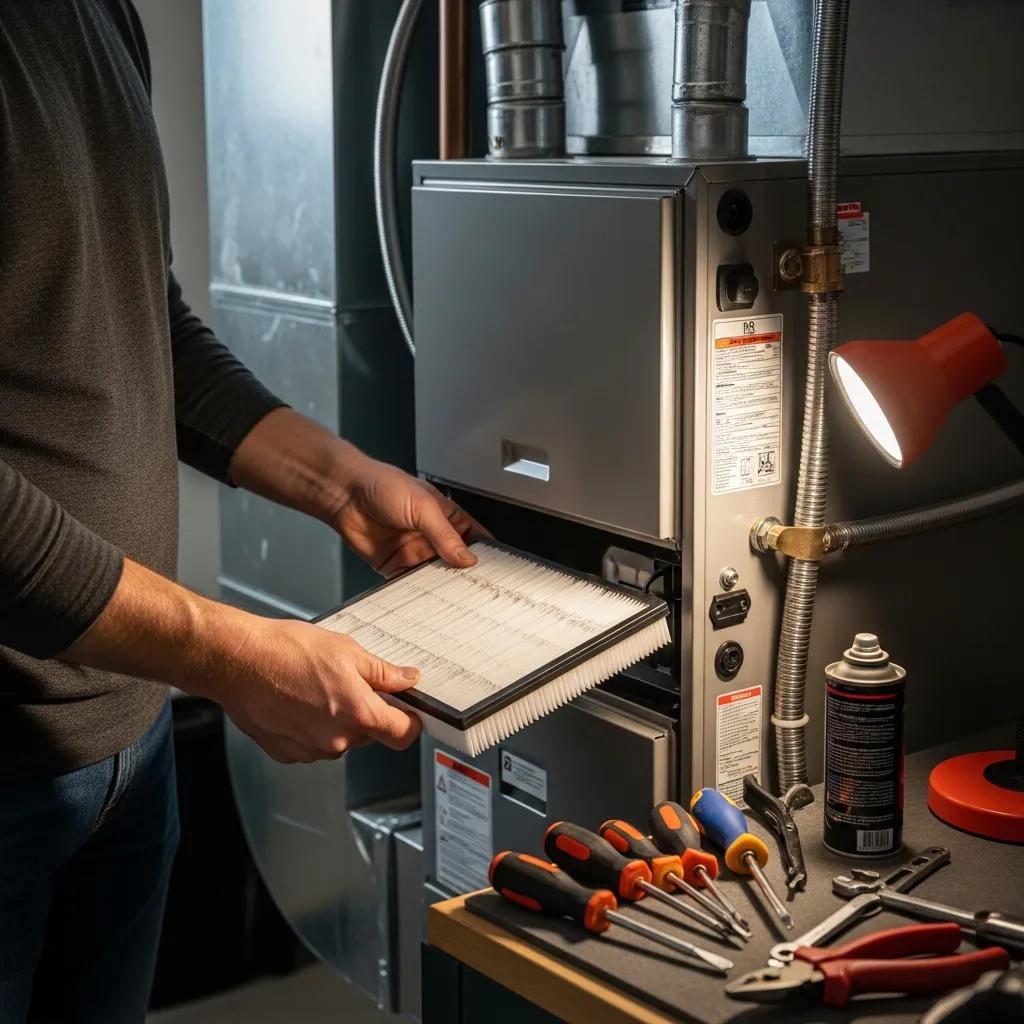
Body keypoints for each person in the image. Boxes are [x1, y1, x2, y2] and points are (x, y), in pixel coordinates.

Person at [0, 2, 484, 1020]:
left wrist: (342, 481)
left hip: (126, 748)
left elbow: (143, 322)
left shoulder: (96, 14)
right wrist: (225, 655)